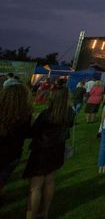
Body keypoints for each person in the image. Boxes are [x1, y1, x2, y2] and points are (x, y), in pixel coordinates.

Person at [23, 85, 75, 219]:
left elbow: (31, 132)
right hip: (57, 150)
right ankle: (45, 212)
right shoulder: (69, 113)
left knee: (36, 186)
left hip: (42, 150)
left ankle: (31, 215)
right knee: (49, 181)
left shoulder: (47, 114)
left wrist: (32, 121)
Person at [0, 84, 33, 197]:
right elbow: (29, 134)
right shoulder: (26, 116)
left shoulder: (25, 116)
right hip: (12, 155)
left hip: (11, 155)